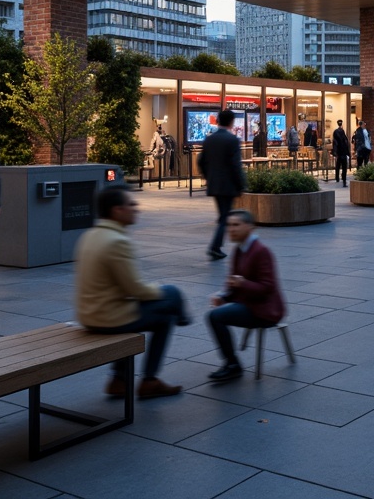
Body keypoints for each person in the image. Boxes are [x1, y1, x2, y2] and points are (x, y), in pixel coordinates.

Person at [74, 186, 188, 399]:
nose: (137, 209)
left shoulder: (90, 235)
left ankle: (119, 380)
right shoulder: (117, 242)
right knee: (168, 310)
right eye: (131, 205)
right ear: (117, 210)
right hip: (108, 318)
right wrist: (161, 290)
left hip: (89, 314)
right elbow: (136, 290)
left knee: (168, 299)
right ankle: (150, 380)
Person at [205, 209, 287, 382]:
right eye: (229, 225)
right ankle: (232, 363)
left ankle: (233, 365)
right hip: (250, 304)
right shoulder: (238, 250)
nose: (231, 229)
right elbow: (234, 282)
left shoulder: (261, 251)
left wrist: (242, 283)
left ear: (250, 227)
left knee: (215, 317)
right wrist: (223, 296)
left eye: (236, 225)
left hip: (265, 310)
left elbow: (268, 287)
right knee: (214, 315)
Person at [198, 108, 244, 261]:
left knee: (223, 215)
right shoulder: (232, 140)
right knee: (225, 217)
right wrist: (241, 184)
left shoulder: (209, 139)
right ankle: (215, 247)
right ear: (231, 122)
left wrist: (208, 176)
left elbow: (201, 161)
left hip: (214, 184)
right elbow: (235, 165)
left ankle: (216, 247)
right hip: (228, 185)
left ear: (218, 121)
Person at [331, 119, 351, 185]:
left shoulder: (336, 133)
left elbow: (335, 144)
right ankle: (343, 179)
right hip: (343, 153)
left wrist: (335, 152)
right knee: (343, 167)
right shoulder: (343, 134)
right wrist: (348, 153)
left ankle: (338, 178)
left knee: (338, 166)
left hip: (340, 153)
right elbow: (346, 144)